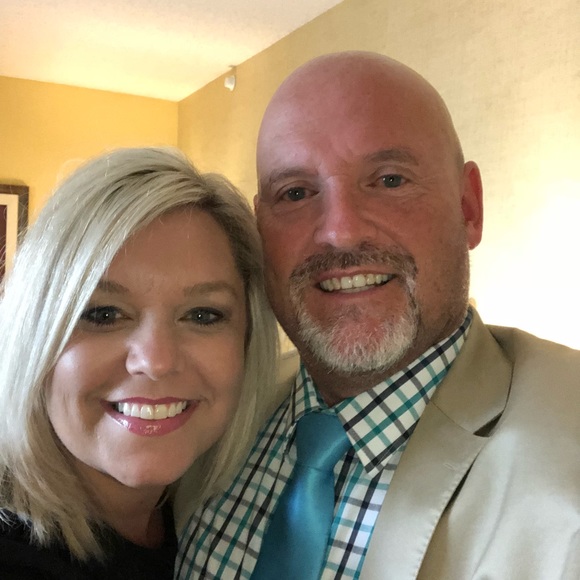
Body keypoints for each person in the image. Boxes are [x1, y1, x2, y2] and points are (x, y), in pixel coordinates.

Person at [176, 51, 580, 580]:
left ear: (469, 208)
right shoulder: (209, 417)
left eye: (389, 180)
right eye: (295, 193)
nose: (340, 232)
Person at [0, 147, 278, 579]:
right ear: (34, 336)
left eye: (202, 315)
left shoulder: (207, 512)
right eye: (103, 314)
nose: (156, 361)